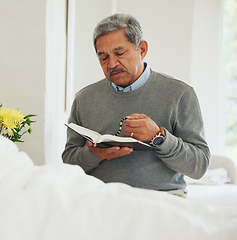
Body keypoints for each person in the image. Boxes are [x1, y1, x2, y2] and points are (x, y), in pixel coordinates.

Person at [62, 14, 210, 196]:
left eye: (119, 53)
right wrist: (94, 154)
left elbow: (199, 166)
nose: (112, 64)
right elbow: (68, 164)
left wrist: (159, 137)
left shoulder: (180, 94)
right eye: (103, 57)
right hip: (101, 200)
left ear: (142, 49)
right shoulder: (84, 98)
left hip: (163, 198)